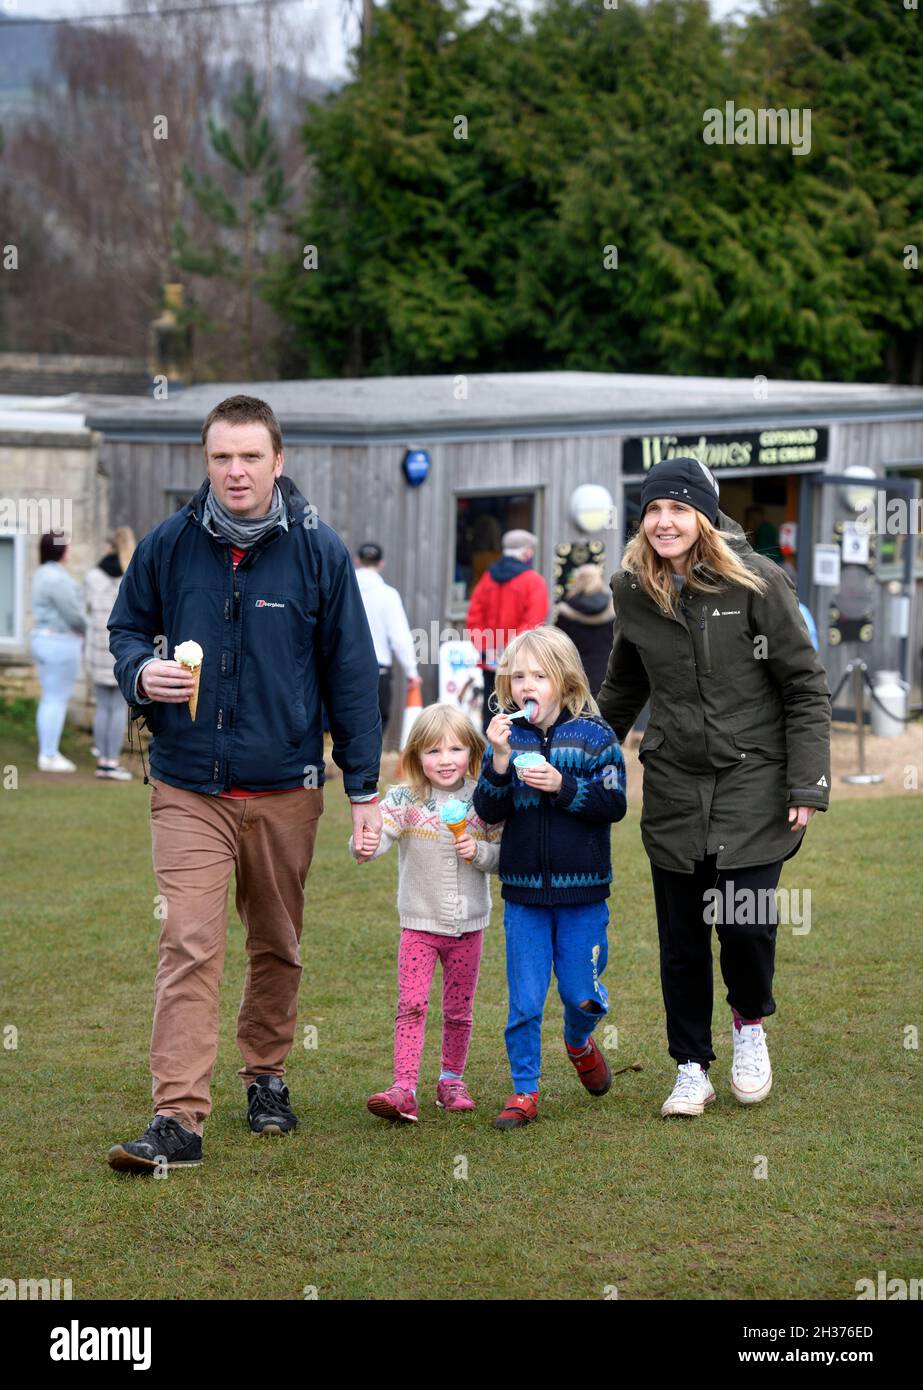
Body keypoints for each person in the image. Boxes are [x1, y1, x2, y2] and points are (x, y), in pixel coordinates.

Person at [106, 394, 382, 1173]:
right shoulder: (168, 544)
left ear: (278, 461)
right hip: (188, 784)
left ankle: (266, 1076)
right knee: (188, 941)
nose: (235, 471)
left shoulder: (319, 552)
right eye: (222, 456)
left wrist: (362, 791)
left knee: (276, 943)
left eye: (250, 456)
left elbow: (352, 675)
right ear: (206, 460)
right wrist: (138, 671)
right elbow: (125, 627)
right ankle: (178, 1119)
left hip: (285, 786)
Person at [596, 457, 831, 1119]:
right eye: (652, 510)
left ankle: (748, 1028)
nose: (664, 521)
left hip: (754, 782)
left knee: (744, 924)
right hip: (672, 784)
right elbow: (622, 687)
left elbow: (804, 687)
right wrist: (580, 755)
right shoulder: (632, 589)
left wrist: (806, 781)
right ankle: (690, 1066)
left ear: (702, 514)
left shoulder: (758, 581)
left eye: (677, 508)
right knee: (680, 937)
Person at [472, 626, 627, 1129]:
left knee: (581, 993)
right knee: (524, 1000)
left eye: (539, 675)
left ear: (565, 681)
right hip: (523, 897)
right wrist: (498, 762)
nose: (526, 685)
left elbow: (614, 804)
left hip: (583, 893)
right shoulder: (504, 737)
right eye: (518, 676)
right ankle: (524, 1091)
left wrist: (563, 786)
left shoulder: (595, 737)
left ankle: (579, 1040)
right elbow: (488, 812)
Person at [353, 704, 502, 1123]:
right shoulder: (405, 798)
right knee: (412, 1005)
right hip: (418, 926)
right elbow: (378, 834)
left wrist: (482, 853)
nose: (445, 760)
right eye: (433, 751)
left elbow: (504, 855)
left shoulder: (482, 799)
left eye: (455, 749)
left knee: (459, 1010)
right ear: (417, 755)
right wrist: (364, 845)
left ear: (471, 752)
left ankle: (451, 1080)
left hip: (469, 927)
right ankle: (403, 1088)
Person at [465, 528, 548, 724]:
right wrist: (510, 652)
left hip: (490, 659)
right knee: (517, 713)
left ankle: (491, 752)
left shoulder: (487, 579)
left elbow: (474, 618)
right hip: (519, 662)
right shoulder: (534, 581)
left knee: (491, 712)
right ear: (526, 553)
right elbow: (533, 623)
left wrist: (486, 648)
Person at [83, 527, 137, 780]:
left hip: (96, 648)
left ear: (108, 547)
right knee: (117, 708)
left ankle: (102, 758)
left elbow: (86, 608)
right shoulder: (133, 573)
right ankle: (111, 761)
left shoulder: (93, 576)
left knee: (102, 706)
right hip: (120, 648)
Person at [354, 541, 422, 740]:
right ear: (381, 564)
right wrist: (412, 672)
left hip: (340, 666)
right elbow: (400, 637)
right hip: (377, 668)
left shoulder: (341, 589)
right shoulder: (388, 595)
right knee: (375, 722)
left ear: (357, 561)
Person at [31, 532, 87, 773]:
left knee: (50, 698)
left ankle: (48, 752)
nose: (69, 550)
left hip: (45, 640)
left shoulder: (41, 573)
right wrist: (91, 628)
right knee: (56, 699)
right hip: (59, 643)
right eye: (67, 546)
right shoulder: (57, 578)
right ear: (60, 550)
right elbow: (74, 615)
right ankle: (49, 754)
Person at [553, 562, 615, 695]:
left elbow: (557, 643)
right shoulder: (612, 608)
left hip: (575, 671)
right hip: (607, 671)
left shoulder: (566, 610)